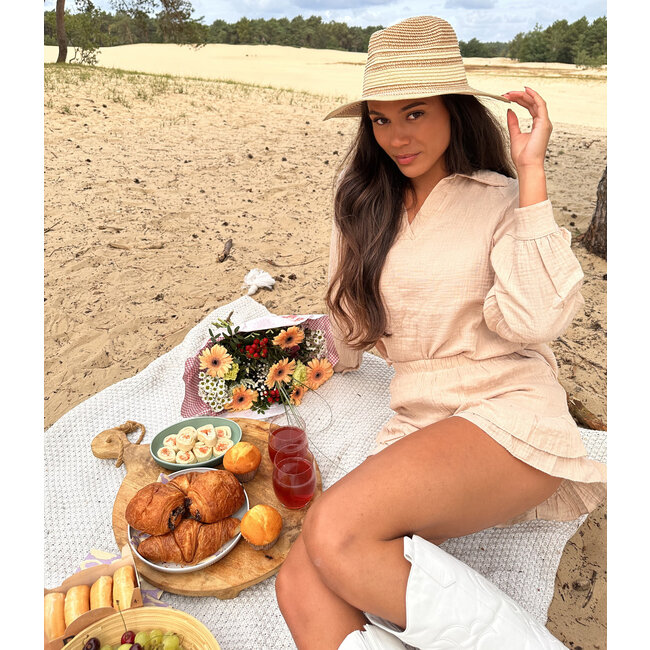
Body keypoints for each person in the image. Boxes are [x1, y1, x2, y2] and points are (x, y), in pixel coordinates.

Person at [275, 16, 606, 649]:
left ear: (453, 110)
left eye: (415, 113)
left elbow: (536, 319)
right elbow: (349, 334)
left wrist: (531, 175)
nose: (396, 136)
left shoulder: (501, 199)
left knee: (334, 531)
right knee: (300, 580)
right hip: (421, 419)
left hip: (505, 409)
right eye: (380, 118)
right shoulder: (363, 208)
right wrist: (267, 361)